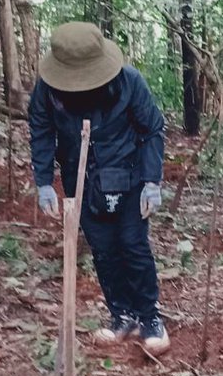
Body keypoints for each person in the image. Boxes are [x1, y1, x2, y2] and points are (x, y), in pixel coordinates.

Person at [28, 22, 169, 355]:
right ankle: (122, 315)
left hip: (129, 177)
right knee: (103, 250)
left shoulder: (129, 82)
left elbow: (152, 129)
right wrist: (44, 181)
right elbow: (41, 127)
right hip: (81, 180)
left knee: (133, 245)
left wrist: (152, 182)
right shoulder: (48, 90)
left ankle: (150, 318)